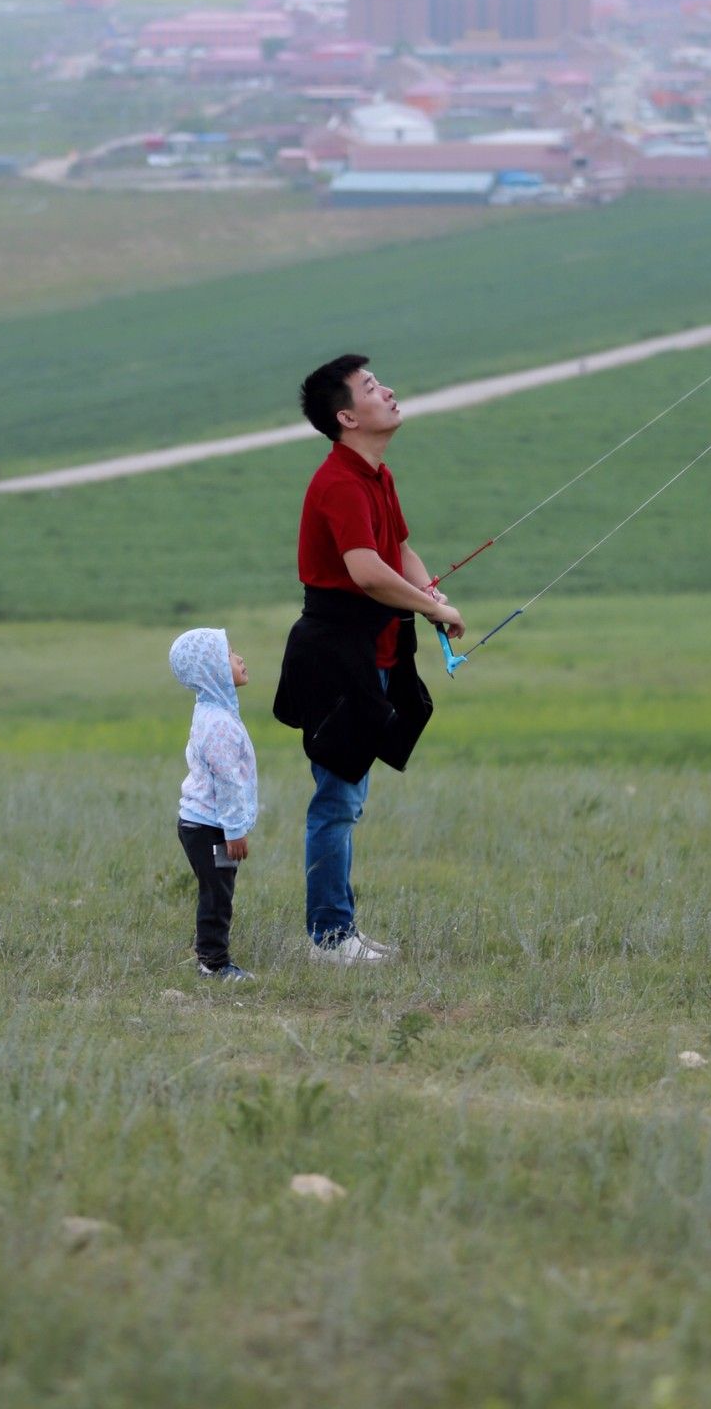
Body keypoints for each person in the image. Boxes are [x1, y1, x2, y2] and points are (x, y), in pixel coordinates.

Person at [273, 355, 465, 966]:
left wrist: (430, 593)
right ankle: (329, 939)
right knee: (337, 799)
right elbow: (364, 571)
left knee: (347, 795)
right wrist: (429, 609)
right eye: (372, 387)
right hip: (336, 659)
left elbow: (399, 549)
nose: (388, 391)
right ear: (347, 416)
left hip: (376, 653)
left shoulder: (377, 475)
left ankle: (339, 931)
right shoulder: (338, 482)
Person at [170, 627, 258, 982]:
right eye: (229, 654)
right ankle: (214, 963)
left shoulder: (210, 709)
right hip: (211, 828)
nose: (239, 658)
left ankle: (210, 951)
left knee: (219, 888)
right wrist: (235, 831)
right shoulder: (219, 723)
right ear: (211, 671)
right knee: (217, 892)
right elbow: (228, 782)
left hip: (205, 824)